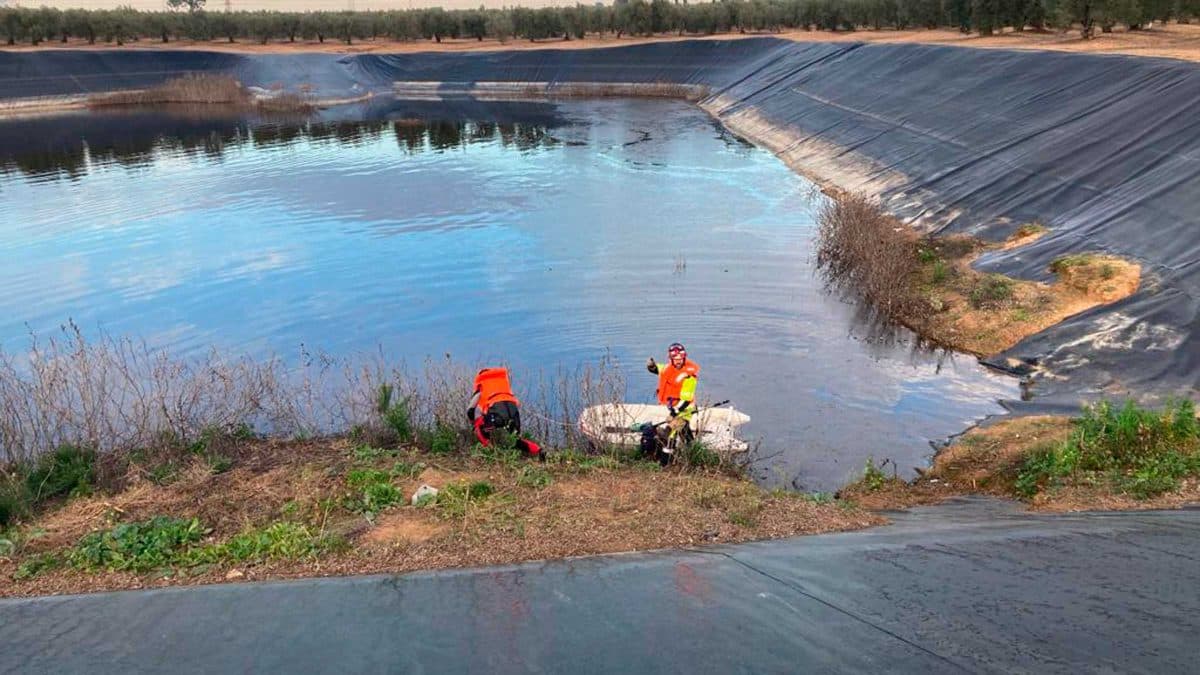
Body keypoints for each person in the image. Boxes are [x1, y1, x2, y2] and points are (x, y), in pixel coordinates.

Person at [641, 343, 699, 464]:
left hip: (684, 409)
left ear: (684, 358)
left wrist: (675, 413)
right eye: (675, 359)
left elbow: (686, 399)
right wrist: (651, 366)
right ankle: (692, 448)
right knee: (684, 430)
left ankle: (665, 464)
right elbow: (658, 369)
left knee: (671, 435)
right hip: (670, 407)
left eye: (680, 359)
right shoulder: (668, 368)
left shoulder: (689, 375)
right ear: (671, 359)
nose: (678, 362)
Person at [466, 366, 542, 458]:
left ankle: (490, 453)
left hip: (497, 414)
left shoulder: (482, 387)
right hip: (513, 412)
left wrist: (473, 422)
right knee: (516, 440)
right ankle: (539, 451)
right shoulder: (503, 386)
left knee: (479, 426)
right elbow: (517, 404)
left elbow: (470, 410)